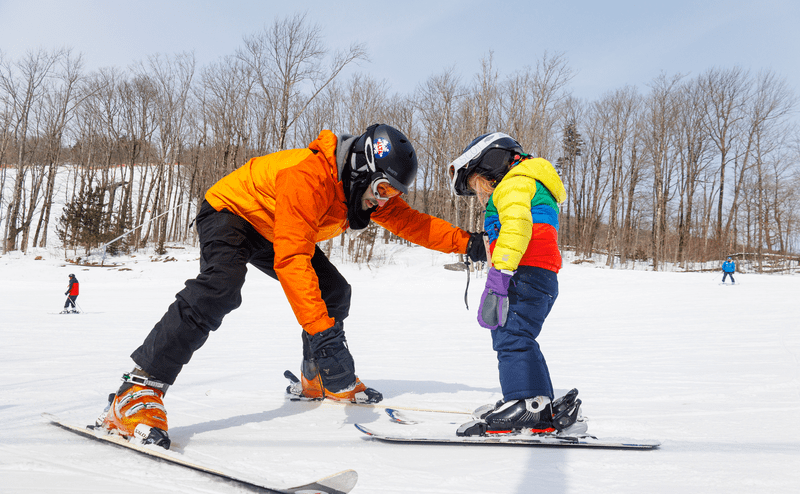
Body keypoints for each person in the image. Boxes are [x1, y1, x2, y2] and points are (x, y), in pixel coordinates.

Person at [97, 124, 487, 449]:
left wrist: (467, 242)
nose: (383, 202)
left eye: (392, 193)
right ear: (360, 171)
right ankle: (139, 388)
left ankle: (316, 378)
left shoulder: (365, 191)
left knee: (335, 292)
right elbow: (292, 261)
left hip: (274, 226)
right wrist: (324, 336)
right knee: (220, 286)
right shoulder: (308, 176)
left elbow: (411, 222)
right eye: (382, 190)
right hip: (232, 212)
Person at [447, 133, 582, 437]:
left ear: (492, 165)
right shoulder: (532, 183)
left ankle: (523, 402)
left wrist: (500, 275)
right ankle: (537, 405)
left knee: (510, 335)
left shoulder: (514, 183)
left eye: (478, 184)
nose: (480, 195)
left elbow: (516, 228)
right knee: (519, 335)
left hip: (523, 273)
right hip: (541, 276)